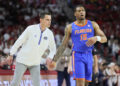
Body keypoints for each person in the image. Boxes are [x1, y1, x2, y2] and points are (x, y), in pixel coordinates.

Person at [53, 5, 107, 86]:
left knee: (86, 83)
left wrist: (96, 38)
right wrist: (55, 59)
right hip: (77, 55)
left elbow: (104, 38)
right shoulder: (70, 27)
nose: (81, 12)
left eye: (83, 10)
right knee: (80, 84)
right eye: (79, 11)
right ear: (75, 14)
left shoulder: (93, 24)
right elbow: (63, 45)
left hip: (89, 55)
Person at [5, 12, 56, 86]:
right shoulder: (30, 29)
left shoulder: (50, 34)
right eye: (47, 19)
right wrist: (11, 54)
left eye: (50, 20)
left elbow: (53, 49)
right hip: (22, 61)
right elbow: (19, 41)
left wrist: (50, 57)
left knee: (37, 84)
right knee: (15, 83)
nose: (49, 22)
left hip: (35, 63)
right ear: (41, 20)